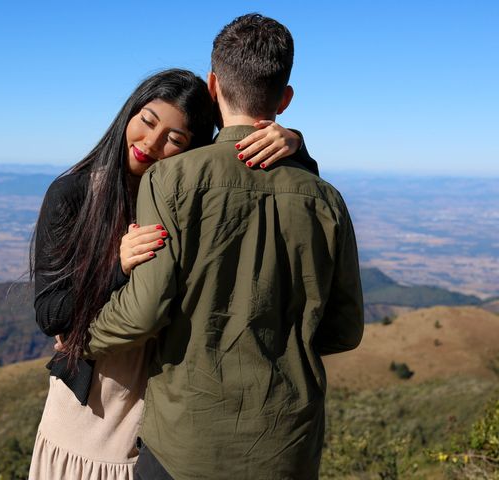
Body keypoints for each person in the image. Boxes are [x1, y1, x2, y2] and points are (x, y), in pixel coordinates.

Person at [85, 14, 364, 480]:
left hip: (184, 445)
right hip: (287, 448)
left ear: (213, 85)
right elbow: (344, 330)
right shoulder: (326, 200)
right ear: (286, 98)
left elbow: (145, 309)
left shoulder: (170, 179)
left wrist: (86, 335)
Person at [28, 68, 315, 479]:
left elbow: (259, 190)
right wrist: (117, 265)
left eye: (175, 140)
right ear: (130, 113)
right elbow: (50, 314)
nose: (151, 143)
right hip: (92, 408)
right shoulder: (73, 195)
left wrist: (295, 146)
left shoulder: (188, 198)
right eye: (147, 122)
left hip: (168, 401)